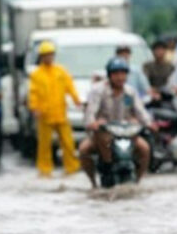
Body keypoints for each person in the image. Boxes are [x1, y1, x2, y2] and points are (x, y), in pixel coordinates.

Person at [79, 58, 154, 187]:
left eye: (123, 74)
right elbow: (90, 112)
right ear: (109, 76)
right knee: (83, 150)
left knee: (145, 149)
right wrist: (94, 123)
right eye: (116, 74)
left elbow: (140, 111)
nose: (120, 77)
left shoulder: (130, 92)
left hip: (127, 133)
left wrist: (149, 123)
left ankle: (137, 182)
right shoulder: (98, 91)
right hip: (103, 133)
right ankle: (94, 182)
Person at [27, 41, 82, 177]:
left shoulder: (61, 71)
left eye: (51, 55)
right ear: (41, 56)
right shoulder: (36, 74)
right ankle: (45, 170)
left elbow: (70, 87)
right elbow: (33, 93)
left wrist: (77, 101)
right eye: (46, 55)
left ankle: (71, 168)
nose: (49, 57)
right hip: (44, 115)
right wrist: (34, 108)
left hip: (61, 114)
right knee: (44, 145)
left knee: (68, 143)